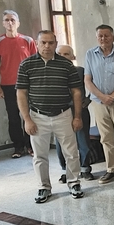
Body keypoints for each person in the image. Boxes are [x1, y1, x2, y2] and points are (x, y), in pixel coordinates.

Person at [16, 31, 84, 203]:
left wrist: (77, 116)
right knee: (39, 155)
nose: (47, 46)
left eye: (51, 43)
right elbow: (21, 93)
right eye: (43, 42)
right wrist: (27, 119)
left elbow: (76, 92)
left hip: (63, 114)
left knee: (71, 153)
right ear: (37, 43)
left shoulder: (66, 65)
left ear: (55, 43)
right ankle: (44, 187)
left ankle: (74, 183)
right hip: (37, 116)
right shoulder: (26, 64)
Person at [84, 25, 114, 185]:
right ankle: (111, 169)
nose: (103, 39)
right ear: (96, 37)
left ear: (113, 37)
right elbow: (87, 80)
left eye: (106, 35)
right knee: (106, 137)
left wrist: (113, 95)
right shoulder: (90, 54)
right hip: (99, 102)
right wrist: (102, 97)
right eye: (100, 36)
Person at [0, 10, 37, 158]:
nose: (10, 23)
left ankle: (31, 145)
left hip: (27, 84)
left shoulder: (28, 40)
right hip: (8, 85)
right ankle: (18, 147)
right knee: (13, 116)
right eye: (7, 20)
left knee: (29, 115)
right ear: (3, 23)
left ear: (18, 23)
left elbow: (35, 63)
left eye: (12, 20)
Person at [55, 45, 94, 181]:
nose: (63, 56)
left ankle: (85, 168)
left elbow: (95, 84)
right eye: (59, 54)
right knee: (61, 143)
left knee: (83, 141)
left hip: (79, 110)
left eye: (66, 54)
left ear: (73, 56)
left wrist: (88, 99)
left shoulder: (81, 71)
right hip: (59, 112)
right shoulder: (51, 73)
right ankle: (65, 170)